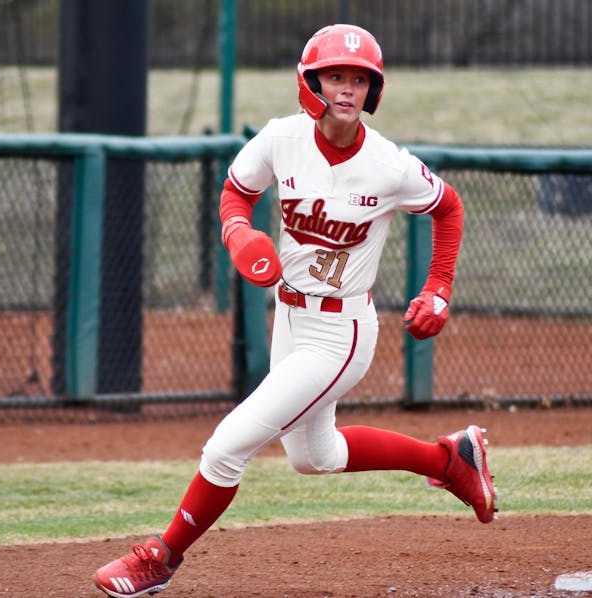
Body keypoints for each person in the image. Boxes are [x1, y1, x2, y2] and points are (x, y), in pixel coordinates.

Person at [93, 24, 497, 597]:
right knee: (315, 455)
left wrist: (438, 288)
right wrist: (239, 235)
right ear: (311, 82)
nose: (347, 89)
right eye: (336, 76)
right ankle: (450, 460)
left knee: (228, 446)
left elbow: (448, 207)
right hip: (289, 318)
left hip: (342, 333)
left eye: (360, 80)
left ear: (372, 91)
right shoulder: (282, 139)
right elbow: (236, 194)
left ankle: (159, 557)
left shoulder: (387, 164)